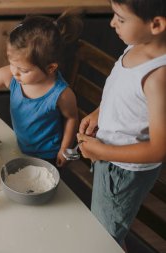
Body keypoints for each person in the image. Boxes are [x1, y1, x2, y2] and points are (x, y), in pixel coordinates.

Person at [77, 0, 166, 247]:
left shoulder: (158, 77)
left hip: (124, 171)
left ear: (156, 24)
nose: (112, 22)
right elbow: (123, 91)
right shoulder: (135, 44)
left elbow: (158, 149)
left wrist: (101, 151)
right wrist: (99, 112)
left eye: (121, 18)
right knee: (101, 220)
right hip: (109, 158)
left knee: (105, 236)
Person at [0, 11, 83, 167]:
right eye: (12, 63)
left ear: (51, 67)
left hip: (48, 156)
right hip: (18, 146)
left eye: (23, 70)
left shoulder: (61, 94)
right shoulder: (10, 75)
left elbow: (72, 118)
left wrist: (64, 149)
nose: (14, 71)